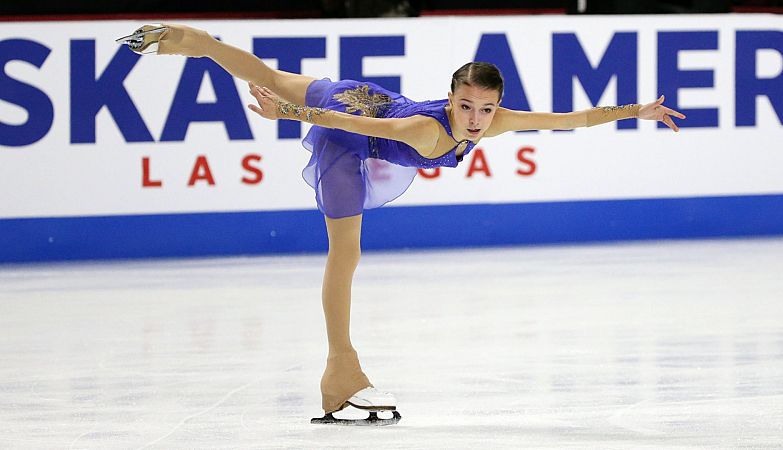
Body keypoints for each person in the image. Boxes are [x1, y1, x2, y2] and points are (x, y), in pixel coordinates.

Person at [117, 24, 685, 426]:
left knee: (270, 73)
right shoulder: (425, 131)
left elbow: (573, 119)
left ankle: (189, 40)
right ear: (451, 98)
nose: (476, 120)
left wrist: (638, 110)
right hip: (349, 132)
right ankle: (341, 369)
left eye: (485, 110)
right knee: (346, 254)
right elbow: (342, 121)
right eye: (466, 107)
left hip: (364, 100)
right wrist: (287, 115)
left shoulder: (493, 122)